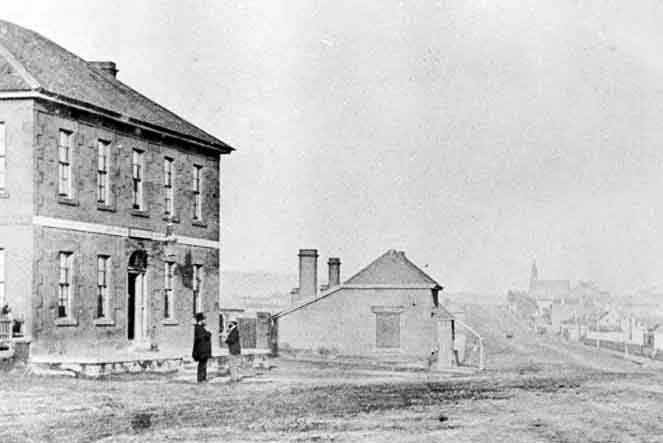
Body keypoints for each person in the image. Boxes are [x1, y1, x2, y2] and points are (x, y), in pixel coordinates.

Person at [192, 312, 211, 382]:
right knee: (202, 365)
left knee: (204, 365)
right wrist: (208, 333)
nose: (205, 321)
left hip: (203, 351)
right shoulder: (198, 328)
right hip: (201, 351)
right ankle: (200, 379)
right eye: (204, 320)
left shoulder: (201, 328)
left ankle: (203, 378)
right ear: (201, 320)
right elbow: (202, 337)